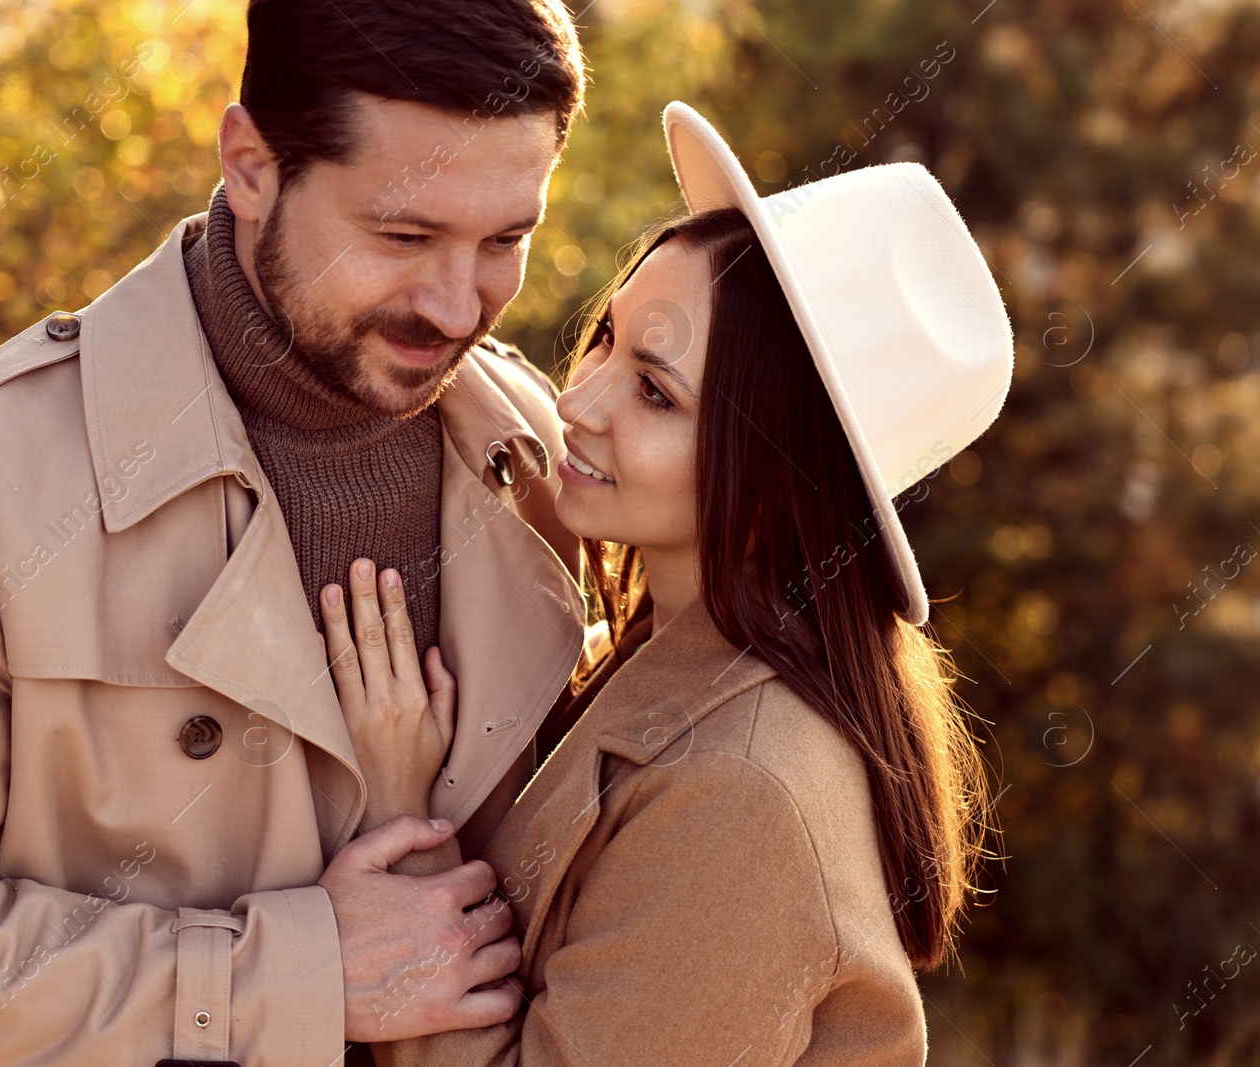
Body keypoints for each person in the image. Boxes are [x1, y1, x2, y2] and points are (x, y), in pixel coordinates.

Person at [0, 2, 591, 1064]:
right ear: (251, 165)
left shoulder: (545, 463)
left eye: (506, 240)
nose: (456, 304)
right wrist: (288, 975)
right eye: (403, 235)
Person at [319, 101, 1015, 1064]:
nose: (577, 400)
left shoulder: (743, 794)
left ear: (778, 483)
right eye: (607, 338)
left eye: (655, 390)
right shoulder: (666, 657)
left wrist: (406, 814)